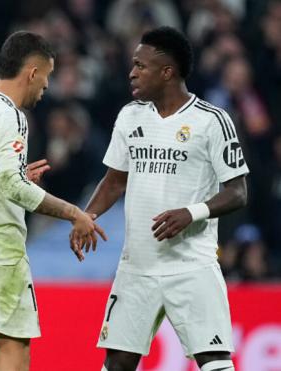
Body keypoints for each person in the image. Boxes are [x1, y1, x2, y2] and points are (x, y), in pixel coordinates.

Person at [76, 26, 248, 371]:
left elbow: (238, 191)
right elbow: (114, 181)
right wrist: (86, 217)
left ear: (167, 72)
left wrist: (192, 212)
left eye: (140, 65)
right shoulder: (130, 116)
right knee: (117, 364)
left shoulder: (212, 121)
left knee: (214, 362)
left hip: (192, 266)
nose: (132, 72)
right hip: (137, 267)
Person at [0, 31, 106, 371]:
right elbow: (15, 188)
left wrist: (12, 179)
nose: (46, 87)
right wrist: (74, 213)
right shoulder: (10, 115)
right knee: (13, 351)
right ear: (32, 72)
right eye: (46, 76)